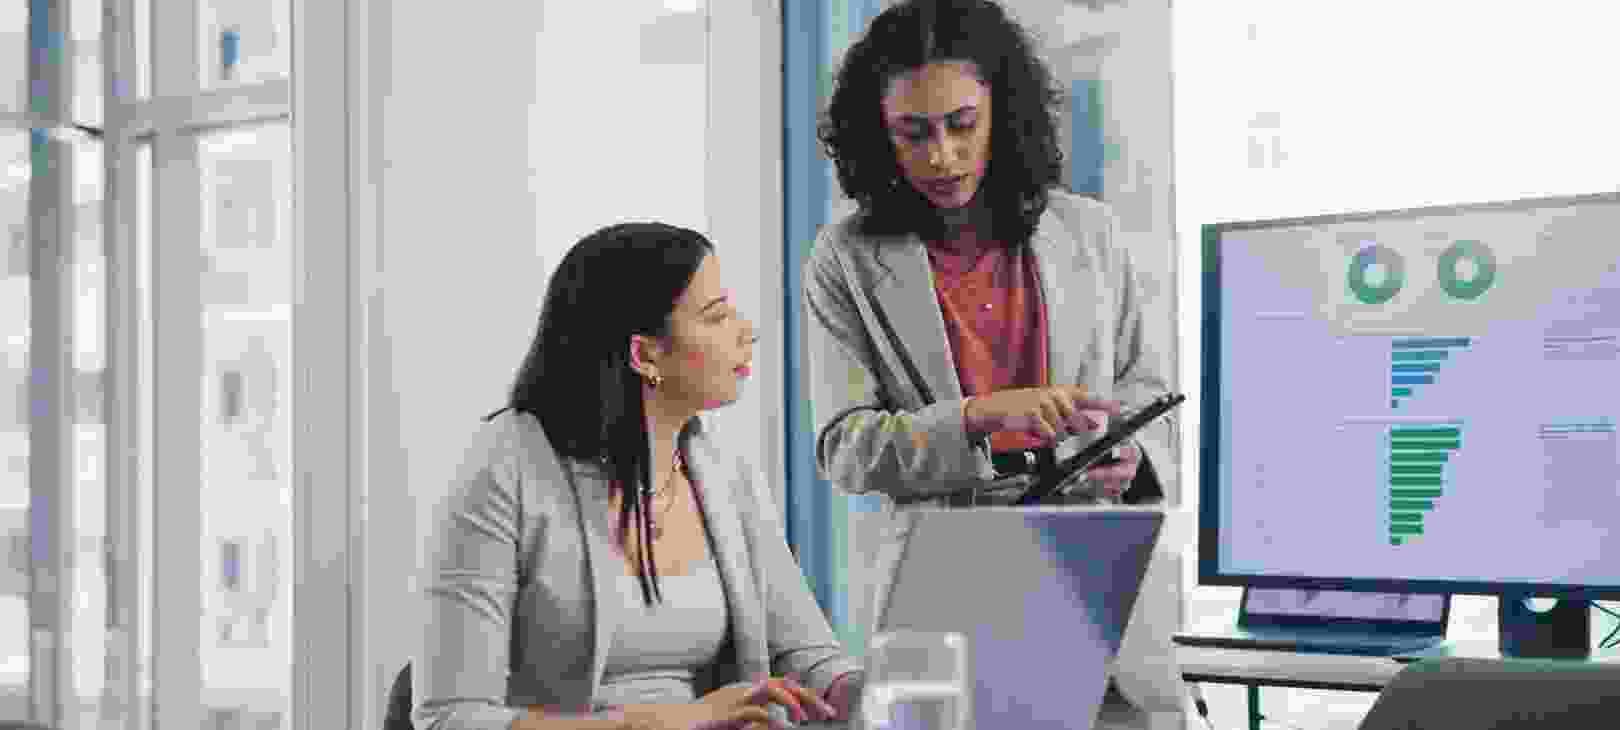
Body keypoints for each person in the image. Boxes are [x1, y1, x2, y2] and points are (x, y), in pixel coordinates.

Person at [806, 1, 1184, 728]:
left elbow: (1146, 394)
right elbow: (846, 448)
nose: (941, 156)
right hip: (947, 584)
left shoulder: (1091, 232)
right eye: (913, 133)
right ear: (878, 135)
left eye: (961, 124)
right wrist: (979, 418)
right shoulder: (844, 259)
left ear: (1002, 113)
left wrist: (1130, 456)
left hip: (1092, 574)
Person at [418, 223, 864, 730]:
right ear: (645, 354)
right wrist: (674, 722)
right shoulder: (505, 467)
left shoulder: (726, 470)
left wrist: (875, 693)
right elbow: (450, 717)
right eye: (716, 315)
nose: (747, 331)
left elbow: (805, 655)